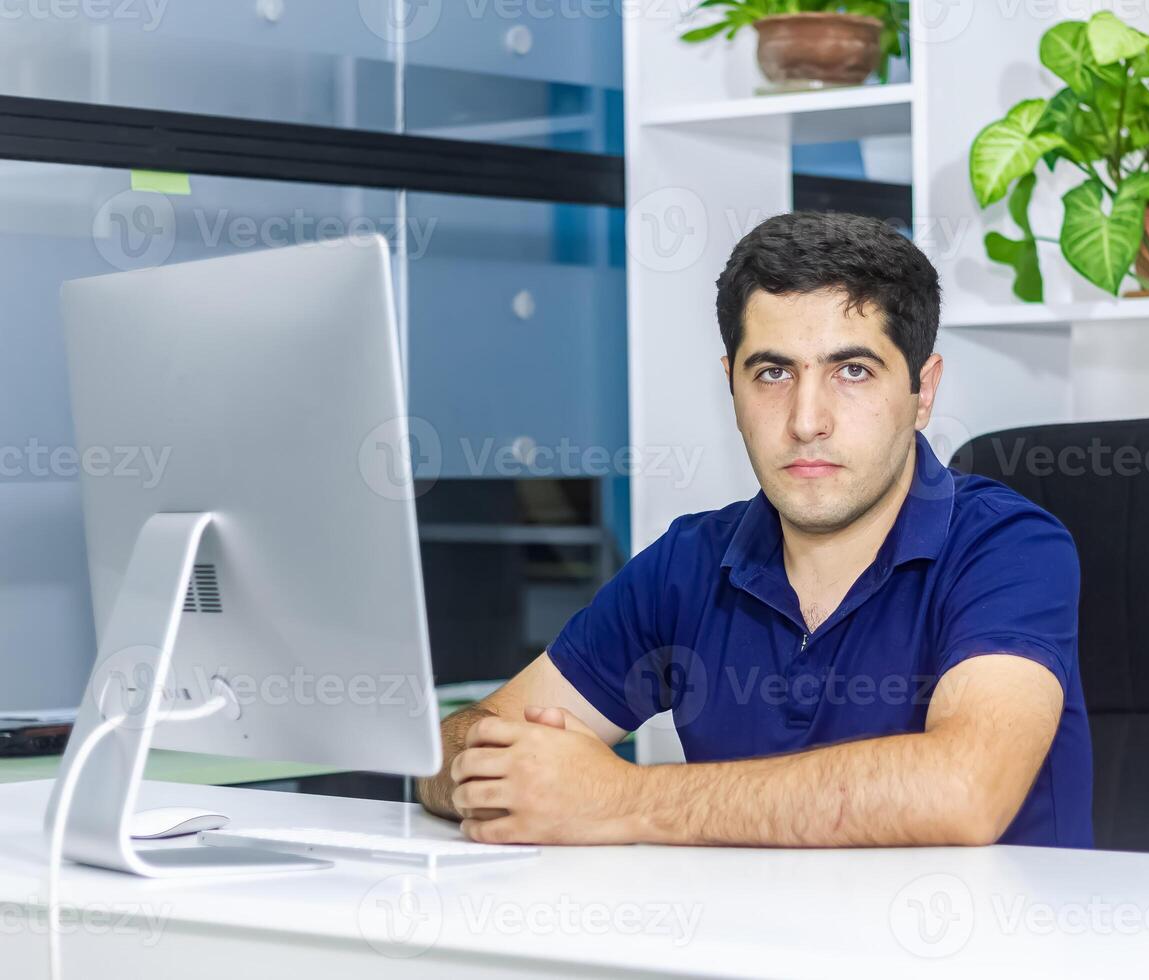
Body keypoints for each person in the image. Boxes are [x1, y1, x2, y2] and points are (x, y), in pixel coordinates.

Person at [417, 210, 1092, 848]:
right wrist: (493, 772)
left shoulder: (1008, 548)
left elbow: (963, 790)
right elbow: (447, 748)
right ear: (731, 387)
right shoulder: (688, 563)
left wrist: (618, 797)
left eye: (852, 371)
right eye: (772, 373)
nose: (806, 420)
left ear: (924, 391)